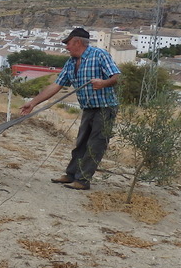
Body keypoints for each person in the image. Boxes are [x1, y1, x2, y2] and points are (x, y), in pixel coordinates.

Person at [20, 27, 120, 190]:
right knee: (81, 143)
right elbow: (56, 85)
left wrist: (103, 83)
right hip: (88, 107)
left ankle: (83, 180)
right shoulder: (71, 62)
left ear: (77, 42)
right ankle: (71, 175)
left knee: (96, 144)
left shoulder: (99, 55)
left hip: (105, 107)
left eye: (68, 43)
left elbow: (115, 76)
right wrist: (33, 103)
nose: (66, 47)